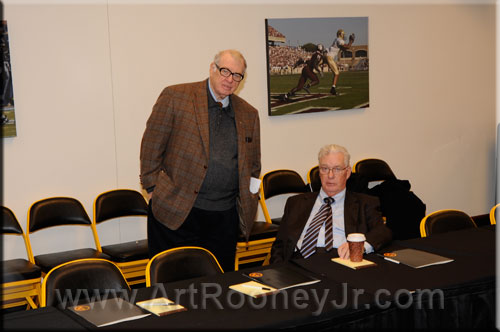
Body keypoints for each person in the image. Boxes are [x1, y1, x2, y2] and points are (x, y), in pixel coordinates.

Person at [140, 49, 261, 272]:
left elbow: (253, 166)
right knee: (173, 287)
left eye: (237, 75)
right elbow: (152, 144)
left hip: (224, 218)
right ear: (212, 68)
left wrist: (249, 201)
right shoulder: (176, 96)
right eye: (225, 71)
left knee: (218, 287)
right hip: (176, 212)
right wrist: (152, 188)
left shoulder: (248, 113)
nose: (230, 79)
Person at [270, 144, 392, 263]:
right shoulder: (296, 203)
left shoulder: (365, 203)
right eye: (325, 169)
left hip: (340, 261)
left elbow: (383, 232)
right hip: (299, 261)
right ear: (319, 172)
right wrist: (278, 271)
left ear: (348, 172)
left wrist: (361, 246)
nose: (330, 175)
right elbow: (279, 246)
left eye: (337, 169)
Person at [325, 29, 355, 96]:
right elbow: (347, 47)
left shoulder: (337, 40)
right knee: (337, 73)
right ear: (340, 34)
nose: (344, 35)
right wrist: (351, 41)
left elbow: (345, 48)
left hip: (329, 56)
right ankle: (333, 89)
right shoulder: (339, 40)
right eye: (343, 34)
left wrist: (350, 42)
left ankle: (333, 88)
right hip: (329, 57)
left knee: (336, 73)